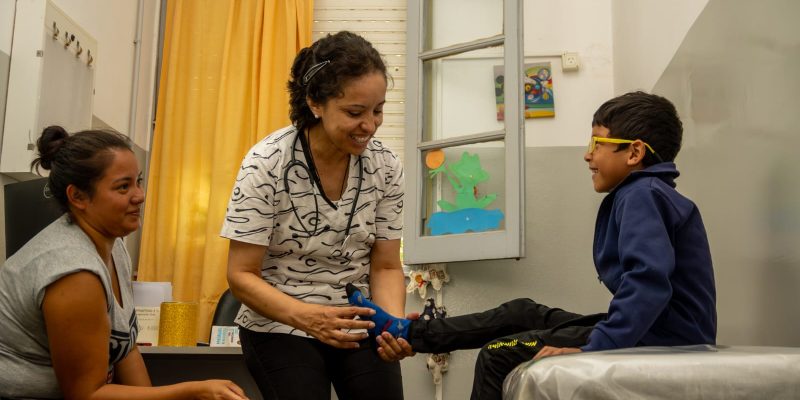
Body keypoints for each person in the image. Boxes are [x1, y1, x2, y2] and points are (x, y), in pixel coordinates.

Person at [347, 91, 717, 400]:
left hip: (663, 339)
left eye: (596, 144)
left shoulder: (642, 196)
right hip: (658, 331)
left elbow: (648, 282)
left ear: (634, 153)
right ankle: (407, 332)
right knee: (522, 311)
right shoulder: (648, 194)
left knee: (497, 355)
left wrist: (597, 345)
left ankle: (408, 333)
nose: (587, 155)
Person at [221, 31, 406, 400]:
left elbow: (385, 266)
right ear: (315, 103)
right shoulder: (266, 163)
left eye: (378, 110)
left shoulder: (385, 166)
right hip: (278, 325)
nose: (369, 125)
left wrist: (392, 326)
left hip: (356, 320)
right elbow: (241, 275)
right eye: (355, 112)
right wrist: (308, 318)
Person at [0, 126, 248, 399]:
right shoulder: (73, 273)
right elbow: (86, 395)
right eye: (123, 187)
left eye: (138, 181)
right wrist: (192, 390)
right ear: (78, 197)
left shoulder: (114, 245)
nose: (139, 195)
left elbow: (125, 348)